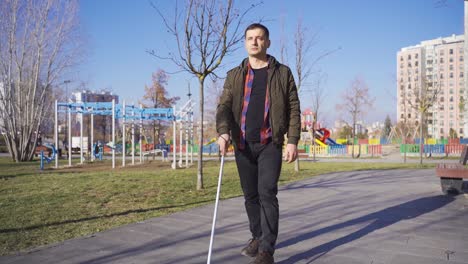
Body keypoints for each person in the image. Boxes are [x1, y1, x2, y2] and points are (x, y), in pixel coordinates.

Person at [216, 23, 301, 264]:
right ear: (245, 43)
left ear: (268, 42)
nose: (254, 42)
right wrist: (223, 132)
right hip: (242, 144)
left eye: (260, 38)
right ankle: (257, 235)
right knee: (250, 195)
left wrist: (292, 140)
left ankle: (266, 251)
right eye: (250, 38)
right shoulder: (234, 75)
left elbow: (294, 108)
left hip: (270, 143)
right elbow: (223, 106)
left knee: (267, 193)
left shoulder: (282, 73)